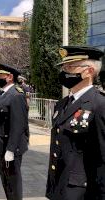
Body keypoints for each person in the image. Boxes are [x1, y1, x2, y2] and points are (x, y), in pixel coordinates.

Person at [46, 46, 105, 200]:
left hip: (81, 191)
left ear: (89, 71)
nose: (64, 71)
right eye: (63, 67)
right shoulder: (63, 104)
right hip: (59, 185)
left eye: (70, 67)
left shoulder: (99, 104)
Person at [0, 63, 29, 200]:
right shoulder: (2, 94)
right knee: (6, 180)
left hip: (9, 146)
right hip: (0, 145)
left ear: (10, 77)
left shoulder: (16, 95)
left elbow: (18, 125)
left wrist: (11, 149)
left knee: (12, 183)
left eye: (0, 75)